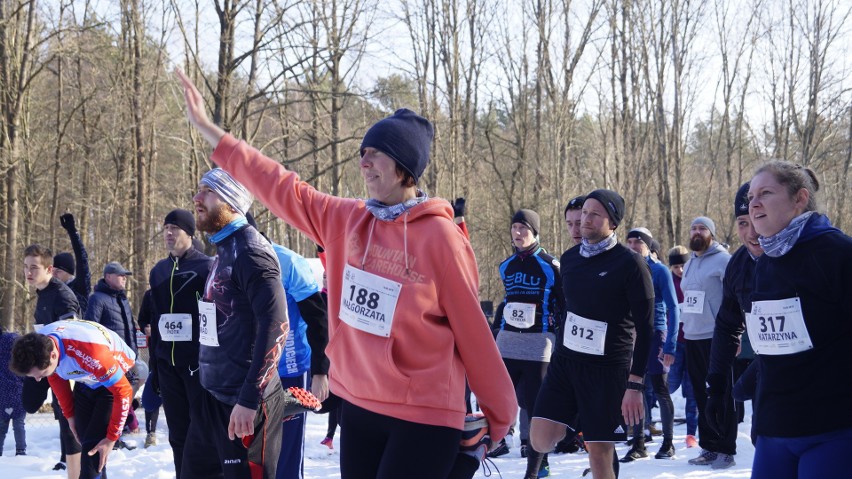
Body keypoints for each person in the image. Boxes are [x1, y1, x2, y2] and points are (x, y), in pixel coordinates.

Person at [177, 69, 517, 479]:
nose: (364, 161)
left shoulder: (441, 238)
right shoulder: (346, 220)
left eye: (376, 153)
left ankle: (467, 451)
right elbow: (281, 185)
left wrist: (500, 414)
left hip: (424, 411)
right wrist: (214, 134)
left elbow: (472, 331)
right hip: (359, 403)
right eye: (363, 152)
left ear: (405, 168)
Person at [716, 161, 852, 478]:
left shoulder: (837, 254)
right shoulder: (765, 262)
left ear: (799, 198)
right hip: (774, 431)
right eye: (751, 197)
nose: (754, 204)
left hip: (831, 430)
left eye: (766, 193)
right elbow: (776, 346)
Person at [531, 189, 654, 479]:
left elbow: (647, 329)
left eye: (594, 214)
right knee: (540, 439)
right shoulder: (570, 259)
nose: (585, 219)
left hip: (607, 369)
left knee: (599, 453)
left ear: (612, 222)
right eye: (584, 212)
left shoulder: (631, 264)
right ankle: (576, 415)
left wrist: (635, 384)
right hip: (566, 362)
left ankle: (589, 421)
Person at [182, 168, 289, 479]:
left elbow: (276, 325)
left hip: (243, 405)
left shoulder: (251, 253)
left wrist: (249, 398)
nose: (196, 198)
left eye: (207, 192)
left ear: (231, 203)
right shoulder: (225, 247)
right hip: (212, 398)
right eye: (199, 190)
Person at [10, 319, 136, 479]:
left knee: (94, 451)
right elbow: (56, 377)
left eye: (40, 374)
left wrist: (112, 437)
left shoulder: (89, 351)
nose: (37, 380)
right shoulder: (43, 344)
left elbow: (123, 391)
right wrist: (69, 416)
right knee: (85, 441)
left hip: (116, 378)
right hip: (87, 378)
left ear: (53, 355)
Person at [493, 208, 564, 478]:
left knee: (535, 408)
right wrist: (496, 330)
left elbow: (564, 303)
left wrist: (560, 340)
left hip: (538, 344)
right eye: (514, 228)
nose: (518, 233)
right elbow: (507, 303)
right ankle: (497, 442)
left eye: (524, 228)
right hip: (508, 343)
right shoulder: (505, 266)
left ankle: (535, 467)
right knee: (504, 399)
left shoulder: (550, 265)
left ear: (534, 232)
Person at [259, 219, 330, 479]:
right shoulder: (232, 260)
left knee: (286, 451)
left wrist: (320, 372)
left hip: (290, 366)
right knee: (253, 447)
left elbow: (318, 319)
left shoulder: (289, 262)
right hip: (252, 370)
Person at [147, 208, 213, 475]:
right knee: (177, 433)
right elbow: (155, 320)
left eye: (174, 228)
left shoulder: (206, 267)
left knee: (203, 432)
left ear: (189, 233)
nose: (169, 233)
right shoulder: (158, 271)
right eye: (166, 229)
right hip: (167, 366)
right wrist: (155, 367)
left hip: (196, 366)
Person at [705, 182, 762, 447]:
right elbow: (727, 327)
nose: (752, 233)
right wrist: (715, 389)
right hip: (771, 384)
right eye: (742, 223)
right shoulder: (738, 265)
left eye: (758, 220)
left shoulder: (813, 255)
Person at [620, 227, 680, 462]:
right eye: (630, 242)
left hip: (656, 335)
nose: (634, 246)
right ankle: (638, 443)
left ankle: (668, 443)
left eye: (639, 242)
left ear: (648, 246)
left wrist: (671, 344)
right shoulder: (624, 270)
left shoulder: (660, 271)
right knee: (635, 387)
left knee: (660, 388)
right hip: (632, 336)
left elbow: (674, 307)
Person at [22, 243, 82, 476]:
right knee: (29, 402)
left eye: (34, 267)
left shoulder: (63, 296)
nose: (29, 272)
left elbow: (72, 333)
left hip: (66, 366)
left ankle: (76, 473)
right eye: (26, 267)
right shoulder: (42, 293)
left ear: (49, 269)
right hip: (45, 363)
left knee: (70, 423)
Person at [680, 216, 735, 468]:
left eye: (702, 228)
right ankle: (709, 447)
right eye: (693, 228)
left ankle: (726, 449)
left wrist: (736, 337)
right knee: (701, 395)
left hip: (715, 336)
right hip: (692, 336)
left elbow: (735, 300)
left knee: (720, 394)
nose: (696, 232)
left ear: (711, 233)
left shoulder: (724, 260)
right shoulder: (690, 262)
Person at [86, 261, 140, 435]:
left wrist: (134, 354)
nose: (124, 278)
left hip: (127, 359)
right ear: (108, 277)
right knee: (111, 398)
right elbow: (92, 329)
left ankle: (120, 429)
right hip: (109, 360)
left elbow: (129, 328)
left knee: (124, 394)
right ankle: (111, 435)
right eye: (120, 275)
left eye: (125, 275)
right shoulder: (97, 299)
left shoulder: (122, 299)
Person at [665, 245, 698, 449]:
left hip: (694, 341)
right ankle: (648, 421)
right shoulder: (669, 283)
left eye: (683, 265)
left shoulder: (694, 281)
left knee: (692, 390)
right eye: (676, 266)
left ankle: (691, 433)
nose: (680, 270)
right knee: (668, 384)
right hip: (675, 343)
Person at [135, 289, 162, 448]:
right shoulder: (151, 294)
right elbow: (142, 319)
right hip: (157, 355)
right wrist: (146, 327)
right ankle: (150, 433)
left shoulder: (182, 287)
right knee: (152, 393)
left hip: (182, 355)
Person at [52, 213, 92, 315]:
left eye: (58, 271)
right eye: (52, 271)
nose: (54, 275)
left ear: (69, 272)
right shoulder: (52, 290)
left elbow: (82, 259)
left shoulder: (79, 286)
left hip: (78, 329)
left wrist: (72, 232)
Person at [0, 325, 26, 456]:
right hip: (19, 392)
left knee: (1, 426)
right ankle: (21, 450)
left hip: (2, 393)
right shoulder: (19, 351)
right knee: (19, 424)